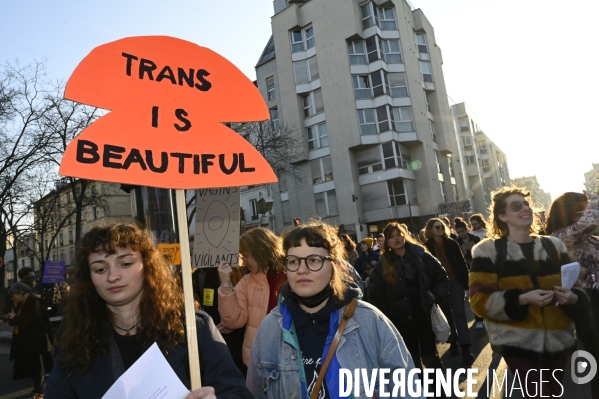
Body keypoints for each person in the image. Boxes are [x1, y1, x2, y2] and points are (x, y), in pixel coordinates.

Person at [46, 222, 252, 399]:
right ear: (89, 278)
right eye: (100, 269)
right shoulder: (74, 341)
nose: (113, 276)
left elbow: (237, 392)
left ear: (148, 266)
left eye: (125, 263)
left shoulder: (194, 328)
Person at [246, 221, 421, 398]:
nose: (301, 269)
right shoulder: (269, 329)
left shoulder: (370, 321)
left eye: (314, 260)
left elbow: (407, 392)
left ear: (335, 266)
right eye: (293, 261)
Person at [469, 187, 589, 397]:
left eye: (526, 204)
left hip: (559, 340)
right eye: (517, 206)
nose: (525, 208)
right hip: (518, 344)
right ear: (502, 216)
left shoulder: (554, 245)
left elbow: (576, 288)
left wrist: (572, 298)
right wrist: (522, 299)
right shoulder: (487, 251)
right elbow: (479, 301)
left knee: (553, 393)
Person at [368, 222, 449, 394]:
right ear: (386, 242)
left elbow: (441, 276)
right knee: (410, 361)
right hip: (399, 320)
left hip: (422, 313)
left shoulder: (420, 255)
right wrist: (385, 318)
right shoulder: (383, 264)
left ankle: (440, 392)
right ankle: (418, 393)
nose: (396, 238)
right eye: (391, 236)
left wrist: (434, 295)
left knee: (430, 357)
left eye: (399, 234)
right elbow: (375, 294)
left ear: (405, 235)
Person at [545, 191, 599, 398]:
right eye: (580, 210)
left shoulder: (592, 239)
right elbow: (587, 223)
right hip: (586, 301)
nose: (585, 213)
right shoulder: (559, 236)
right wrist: (594, 200)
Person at [217, 227, 286, 367]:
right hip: (257, 363)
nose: (244, 261)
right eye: (242, 256)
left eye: (246, 256)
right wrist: (225, 284)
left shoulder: (290, 276)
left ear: (261, 251)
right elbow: (233, 321)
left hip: (288, 359)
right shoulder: (247, 281)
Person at [424, 218, 474, 364]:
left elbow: (462, 264)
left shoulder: (452, 243)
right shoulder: (426, 246)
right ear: (430, 230)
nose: (440, 229)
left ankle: (466, 347)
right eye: (437, 227)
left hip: (455, 281)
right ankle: (452, 342)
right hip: (439, 285)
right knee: (447, 315)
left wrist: (467, 285)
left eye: (442, 226)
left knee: (459, 313)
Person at [6, 282, 53, 399]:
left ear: (22, 293)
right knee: (32, 368)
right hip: (26, 340)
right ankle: (36, 391)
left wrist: (14, 318)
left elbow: (29, 320)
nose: (13, 298)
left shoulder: (34, 302)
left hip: (36, 340)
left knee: (38, 368)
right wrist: (12, 317)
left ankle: (40, 393)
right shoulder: (21, 304)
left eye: (14, 295)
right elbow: (18, 320)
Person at [454, 217, 484, 330]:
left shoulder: (475, 238)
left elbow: (482, 253)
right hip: (466, 273)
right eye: (459, 232)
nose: (461, 234)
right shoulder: (457, 242)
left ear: (467, 229)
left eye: (462, 231)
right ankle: (479, 319)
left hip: (479, 270)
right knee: (474, 296)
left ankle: (484, 316)